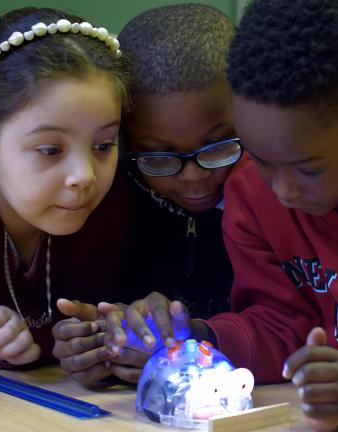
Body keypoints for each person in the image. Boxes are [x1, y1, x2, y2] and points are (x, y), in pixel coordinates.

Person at [82, 0, 338, 432]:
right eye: (260, 159)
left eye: (308, 169)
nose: (281, 191)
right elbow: (280, 324)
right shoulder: (248, 188)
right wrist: (194, 339)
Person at [52, 4, 241, 385]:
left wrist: (197, 340)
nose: (194, 178)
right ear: (123, 138)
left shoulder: (284, 194)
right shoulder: (103, 198)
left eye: (218, 146)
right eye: (159, 156)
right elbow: (86, 315)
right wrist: (90, 345)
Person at [0, 6, 133, 368]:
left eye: (103, 146)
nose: (85, 176)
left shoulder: (112, 208)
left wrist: (71, 343)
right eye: (50, 150)